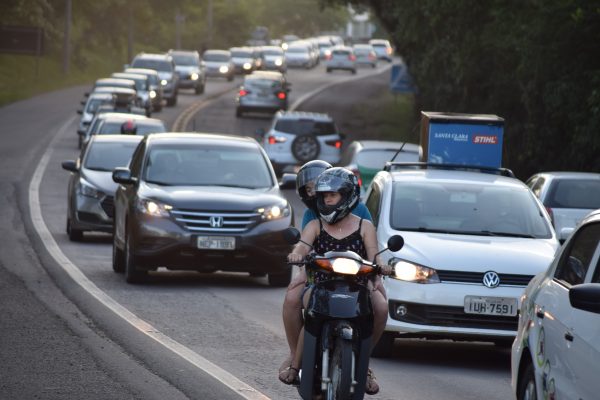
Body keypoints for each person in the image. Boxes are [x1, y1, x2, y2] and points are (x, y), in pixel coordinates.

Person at [280, 167, 391, 395]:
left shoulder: (364, 226)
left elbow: (375, 255)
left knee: (381, 307)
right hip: (320, 284)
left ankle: (364, 364)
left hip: (359, 286)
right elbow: (302, 245)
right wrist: (297, 253)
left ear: (348, 195)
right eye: (323, 195)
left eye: (333, 194)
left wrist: (382, 268)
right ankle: (296, 365)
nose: (327, 199)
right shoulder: (315, 225)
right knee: (311, 309)